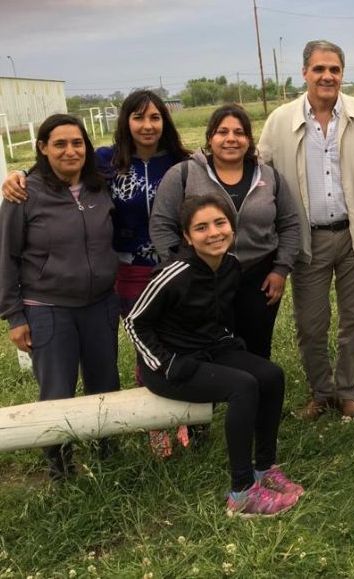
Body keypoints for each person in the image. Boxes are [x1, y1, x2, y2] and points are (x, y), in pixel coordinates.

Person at [2, 90, 193, 457]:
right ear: (126, 122)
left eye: (155, 117)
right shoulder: (109, 162)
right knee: (122, 360)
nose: (147, 125)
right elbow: (61, 169)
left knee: (163, 349)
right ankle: (66, 458)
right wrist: (19, 174)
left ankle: (158, 425)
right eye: (139, 117)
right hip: (121, 275)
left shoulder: (179, 163)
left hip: (168, 272)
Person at [125, 195, 303, 516]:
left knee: (272, 376)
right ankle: (242, 493)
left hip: (209, 351)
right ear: (187, 237)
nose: (214, 233)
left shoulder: (230, 265)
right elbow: (135, 323)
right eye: (201, 227)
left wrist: (227, 341)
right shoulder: (172, 274)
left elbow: (217, 316)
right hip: (169, 365)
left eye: (220, 223)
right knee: (243, 387)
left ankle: (265, 469)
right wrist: (166, 364)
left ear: (232, 228)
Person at [257, 40, 354, 420]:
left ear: (342, 74)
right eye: (319, 69)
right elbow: (260, 173)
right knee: (311, 324)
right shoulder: (280, 120)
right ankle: (321, 392)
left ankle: (347, 392)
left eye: (334, 69)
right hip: (306, 240)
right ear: (304, 73)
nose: (327, 76)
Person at [0, 114, 120, 479]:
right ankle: (60, 467)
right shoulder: (23, 194)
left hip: (100, 304)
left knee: (105, 383)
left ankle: (109, 456)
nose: (71, 151)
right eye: (60, 144)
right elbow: (5, 256)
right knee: (56, 390)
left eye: (77, 143)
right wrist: (14, 317)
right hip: (48, 309)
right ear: (42, 148)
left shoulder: (100, 187)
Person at [151, 104, 300, 360]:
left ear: (249, 140)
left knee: (257, 347)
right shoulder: (184, 174)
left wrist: (280, 270)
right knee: (209, 347)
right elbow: (161, 223)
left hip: (258, 277)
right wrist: (181, 269)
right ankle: (219, 392)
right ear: (210, 138)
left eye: (239, 132)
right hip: (204, 278)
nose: (231, 139)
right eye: (222, 132)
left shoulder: (270, 177)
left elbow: (290, 224)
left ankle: (255, 394)